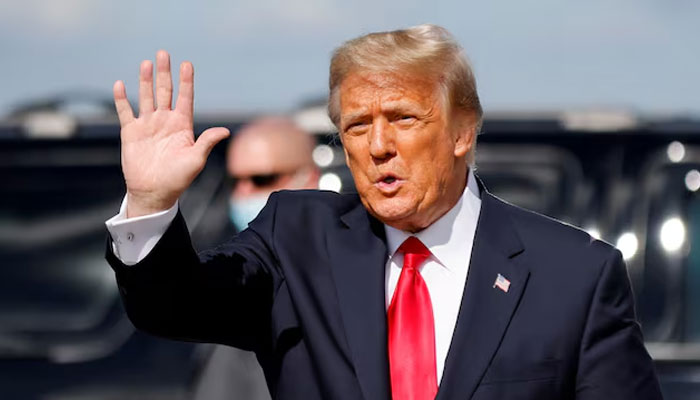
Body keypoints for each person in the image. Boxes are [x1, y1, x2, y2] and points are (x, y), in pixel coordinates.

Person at [105, 25, 662, 399]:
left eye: (402, 118)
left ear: (463, 130)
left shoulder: (575, 276)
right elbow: (175, 307)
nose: (377, 146)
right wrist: (152, 203)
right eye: (355, 125)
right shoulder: (297, 240)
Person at [192, 117, 318, 400]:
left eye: (262, 179)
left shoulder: (345, 271)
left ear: (310, 176)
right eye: (235, 181)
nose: (244, 192)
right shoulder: (230, 269)